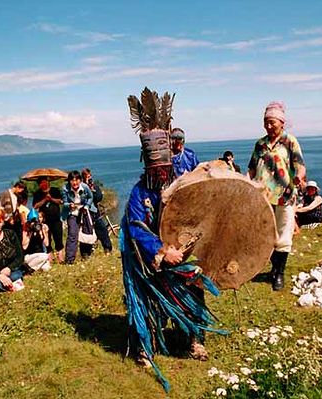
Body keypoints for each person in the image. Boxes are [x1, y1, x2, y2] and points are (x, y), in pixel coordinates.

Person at [123, 88, 221, 391]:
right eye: (155, 168)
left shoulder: (182, 187)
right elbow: (136, 227)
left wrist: (185, 248)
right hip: (146, 262)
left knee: (194, 282)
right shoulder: (139, 193)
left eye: (164, 167)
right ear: (147, 164)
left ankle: (195, 339)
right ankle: (145, 344)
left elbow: (197, 216)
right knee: (143, 297)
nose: (160, 172)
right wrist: (162, 251)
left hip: (181, 252)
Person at [247, 101, 306, 291]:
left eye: (272, 122)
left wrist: (298, 178)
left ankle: (279, 273)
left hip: (284, 195)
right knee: (264, 233)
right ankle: (272, 267)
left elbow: (299, 165)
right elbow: (252, 167)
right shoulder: (260, 144)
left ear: (281, 122)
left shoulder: (290, 141)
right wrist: (245, 184)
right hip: (262, 196)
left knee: (283, 234)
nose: (269, 126)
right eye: (266, 122)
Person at [61, 171, 97, 264]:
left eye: (77, 180)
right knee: (72, 235)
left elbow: (90, 197)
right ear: (69, 181)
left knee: (87, 232)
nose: (75, 182)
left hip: (83, 211)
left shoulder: (84, 187)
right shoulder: (65, 189)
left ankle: (86, 255)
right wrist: (69, 205)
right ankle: (69, 260)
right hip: (72, 213)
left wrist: (86, 206)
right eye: (72, 180)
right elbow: (64, 203)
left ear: (80, 180)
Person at [32, 178, 64, 263]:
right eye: (41, 183)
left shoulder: (55, 190)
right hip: (45, 221)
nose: (44, 184)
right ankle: (49, 257)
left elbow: (61, 201)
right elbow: (35, 206)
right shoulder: (37, 194)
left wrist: (51, 199)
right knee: (47, 240)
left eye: (45, 182)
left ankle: (60, 258)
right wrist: (45, 200)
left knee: (58, 238)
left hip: (56, 219)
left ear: (48, 182)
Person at [81, 168, 112, 254]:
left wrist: (93, 191)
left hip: (95, 211)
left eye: (90, 176)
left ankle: (107, 248)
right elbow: (82, 198)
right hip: (85, 213)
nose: (89, 178)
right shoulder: (81, 187)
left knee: (102, 229)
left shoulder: (94, 186)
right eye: (87, 176)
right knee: (86, 232)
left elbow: (98, 198)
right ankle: (85, 253)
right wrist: (87, 189)